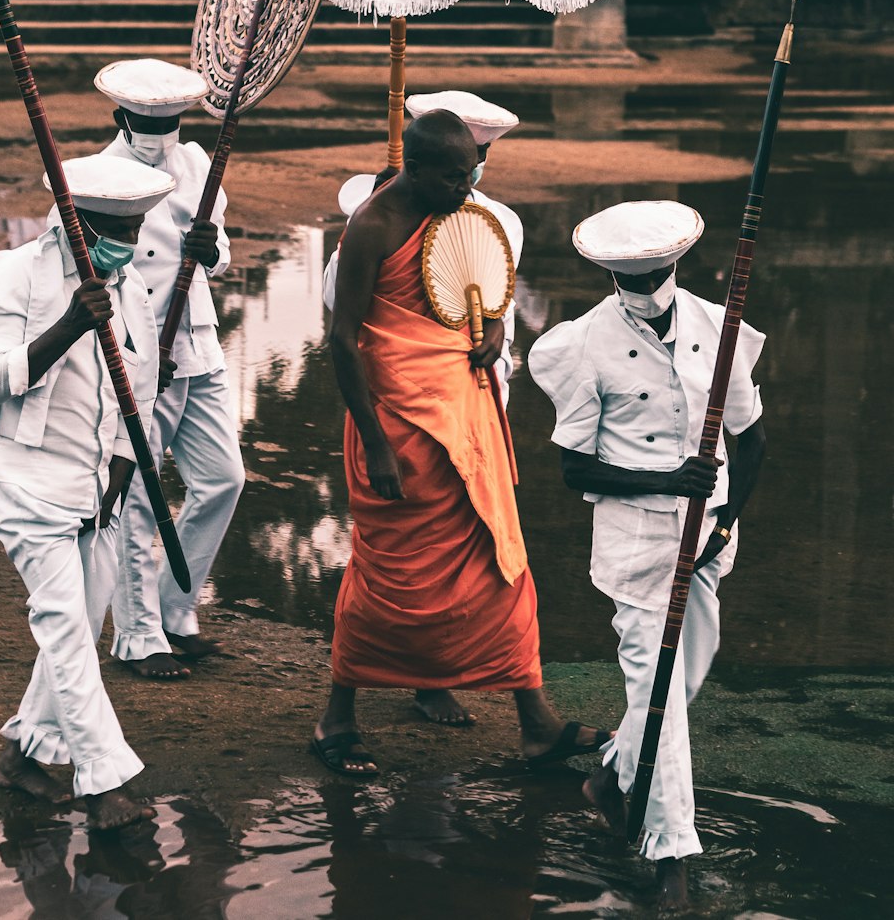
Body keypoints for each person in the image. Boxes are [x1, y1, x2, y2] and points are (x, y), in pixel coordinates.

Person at [312, 110, 610, 775]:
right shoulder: (372, 225)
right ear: (413, 170)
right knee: (387, 575)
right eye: (451, 176)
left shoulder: (460, 213)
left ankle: (536, 723)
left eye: (469, 173)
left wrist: (499, 327)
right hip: (394, 427)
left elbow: (484, 284)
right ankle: (337, 715)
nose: (464, 186)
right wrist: (376, 443)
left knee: (501, 562)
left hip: (465, 421)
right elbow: (340, 338)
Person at [527, 201, 767, 913]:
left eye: (655, 271)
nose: (646, 285)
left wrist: (726, 519)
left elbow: (751, 439)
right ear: (609, 274)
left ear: (675, 262)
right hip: (635, 543)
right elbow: (574, 468)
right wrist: (666, 481)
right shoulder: (583, 343)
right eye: (630, 275)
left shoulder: (716, 326)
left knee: (680, 681)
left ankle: (608, 777)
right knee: (656, 693)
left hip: (709, 537)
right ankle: (671, 859)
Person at [0, 153, 175, 829]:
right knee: (63, 625)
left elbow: (137, 390)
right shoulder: (15, 275)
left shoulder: (132, 289)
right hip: (27, 480)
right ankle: (104, 782)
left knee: (81, 629)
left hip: (96, 487)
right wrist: (69, 326)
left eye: (136, 225)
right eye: (112, 227)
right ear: (73, 221)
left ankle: (19, 753)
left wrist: (120, 470)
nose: (126, 238)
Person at [94, 59, 246, 681]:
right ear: (120, 118)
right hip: (136, 347)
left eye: (170, 122)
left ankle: (176, 611)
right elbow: (83, 265)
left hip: (198, 340)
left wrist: (213, 252)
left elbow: (221, 247)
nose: (159, 133)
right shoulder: (96, 175)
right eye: (143, 122)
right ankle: (138, 637)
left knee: (225, 478)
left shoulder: (198, 164)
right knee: (135, 494)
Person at [323, 90, 523, 409]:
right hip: (395, 392)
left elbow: (499, 314)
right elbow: (338, 302)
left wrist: (489, 397)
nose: (470, 167)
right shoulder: (378, 218)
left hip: (471, 397)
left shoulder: (498, 226)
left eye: (478, 153)